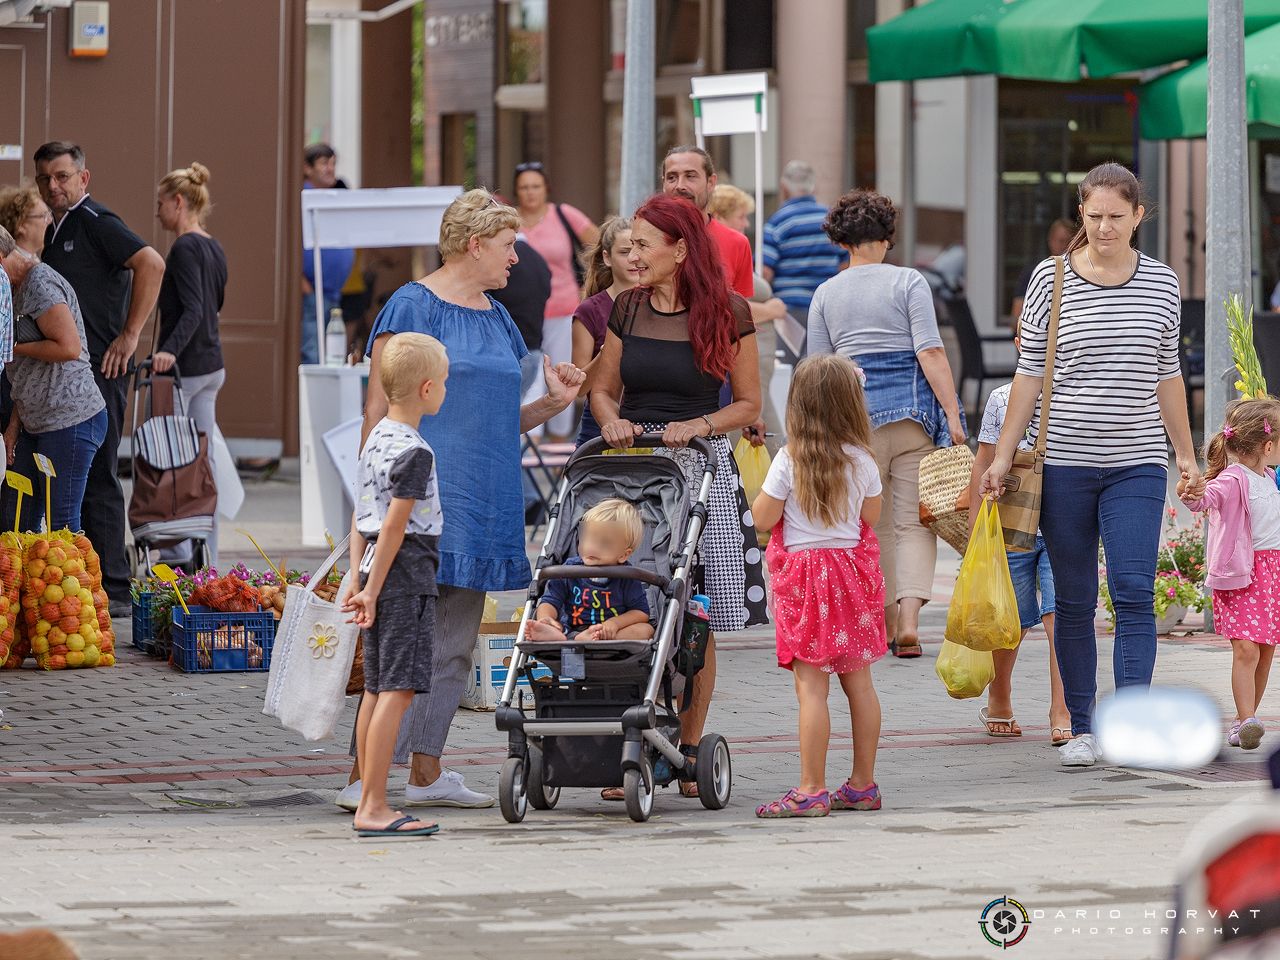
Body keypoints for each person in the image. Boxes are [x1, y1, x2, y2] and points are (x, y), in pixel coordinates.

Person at [336, 189, 584, 814]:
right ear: (475, 245)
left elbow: (498, 419)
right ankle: (365, 777)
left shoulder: (499, 317)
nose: (516, 261)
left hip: (484, 500)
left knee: (452, 643)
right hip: (412, 506)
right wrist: (365, 510)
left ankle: (427, 770)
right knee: (398, 642)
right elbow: (377, 411)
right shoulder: (411, 305)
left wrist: (552, 405)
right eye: (507, 247)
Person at [979, 162, 1199, 768]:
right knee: (1072, 600)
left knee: (1132, 591)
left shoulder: (1162, 284)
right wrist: (1001, 455)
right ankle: (1081, 726)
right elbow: (1028, 377)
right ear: (1082, 214)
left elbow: (1167, 375)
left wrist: (1184, 454)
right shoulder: (1050, 281)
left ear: (1138, 217)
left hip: (1137, 463)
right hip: (1066, 465)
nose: (1103, 228)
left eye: (1116, 217)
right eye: (1093, 216)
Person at [591, 192, 768, 797]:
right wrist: (610, 418)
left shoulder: (729, 312)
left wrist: (700, 425)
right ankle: (634, 740)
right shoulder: (627, 309)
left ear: (680, 249)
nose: (632, 253)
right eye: (630, 243)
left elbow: (749, 405)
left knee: (695, 616)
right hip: (636, 467)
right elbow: (601, 389)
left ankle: (688, 748)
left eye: (643, 243)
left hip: (700, 468)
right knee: (631, 598)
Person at [808, 189, 966, 659]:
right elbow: (931, 352)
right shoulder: (908, 282)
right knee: (913, 524)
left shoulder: (826, 293)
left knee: (871, 525)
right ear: (888, 236)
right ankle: (912, 622)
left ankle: (885, 620)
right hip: (913, 417)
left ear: (842, 240)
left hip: (852, 425)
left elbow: (817, 367)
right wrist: (954, 416)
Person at [751, 354, 886, 817]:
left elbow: (763, 519)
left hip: (806, 581)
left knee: (812, 690)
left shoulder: (789, 460)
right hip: (851, 577)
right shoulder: (864, 460)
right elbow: (871, 518)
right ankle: (863, 784)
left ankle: (811, 789)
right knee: (860, 685)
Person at [34, 140, 165, 616]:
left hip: (102, 370)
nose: (54, 186)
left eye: (63, 176)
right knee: (78, 478)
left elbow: (151, 262)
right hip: (70, 377)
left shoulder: (95, 222)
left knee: (101, 474)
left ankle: (114, 584)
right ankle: (89, 579)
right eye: (45, 178)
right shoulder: (53, 229)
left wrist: (131, 336)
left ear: (83, 178)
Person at [343, 331, 449, 838]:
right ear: (427, 389)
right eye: (445, 382)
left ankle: (368, 795)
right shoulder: (416, 452)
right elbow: (394, 525)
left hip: (378, 575)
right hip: (405, 578)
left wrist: (356, 577)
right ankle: (376, 805)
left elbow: (361, 515)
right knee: (398, 691)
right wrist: (372, 586)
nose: (446, 390)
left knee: (376, 691)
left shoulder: (376, 438)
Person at [969, 343, 1071, 744]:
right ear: (1020, 344)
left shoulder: (1073, 392)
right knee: (1010, 617)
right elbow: (985, 459)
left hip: (1056, 520)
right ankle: (1002, 696)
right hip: (1016, 519)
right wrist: (979, 527)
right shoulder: (1003, 397)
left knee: (1056, 616)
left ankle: (1059, 708)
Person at [1178, 398, 1280, 751]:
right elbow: (1206, 498)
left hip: (1272, 574)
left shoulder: (1270, 477)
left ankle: (1243, 722)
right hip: (1242, 575)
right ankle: (1249, 718)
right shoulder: (1233, 479)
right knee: (1246, 651)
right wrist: (1192, 491)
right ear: (1268, 446)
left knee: (1266, 650)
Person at [0, 227, 107, 532]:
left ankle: (76, 581)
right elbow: (28, 371)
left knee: (61, 524)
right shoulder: (15, 289)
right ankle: (16, 581)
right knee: (16, 523)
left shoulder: (40, 283)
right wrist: (13, 428)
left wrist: (10, 344)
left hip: (70, 419)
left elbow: (69, 347)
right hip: (36, 422)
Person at [153, 162, 229, 563]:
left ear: (178, 202)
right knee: (205, 461)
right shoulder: (213, 245)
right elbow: (215, 304)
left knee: (175, 457)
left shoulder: (183, 247)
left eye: (161, 203)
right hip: (212, 364)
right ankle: (208, 553)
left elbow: (195, 309)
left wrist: (169, 351)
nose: (158, 211)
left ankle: (178, 547)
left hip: (187, 369)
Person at [512, 161, 598, 437]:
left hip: (563, 309)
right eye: (524, 187)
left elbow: (601, 246)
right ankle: (530, 442)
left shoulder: (563, 214)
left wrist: (590, 290)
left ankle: (559, 447)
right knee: (528, 376)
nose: (530, 193)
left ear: (546, 188)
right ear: (516, 191)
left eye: (535, 186)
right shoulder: (509, 220)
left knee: (562, 374)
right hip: (521, 316)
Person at [486, 235, 551, 519]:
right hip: (532, 350)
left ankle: (528, 497)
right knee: (507, 423)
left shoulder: (506, 265)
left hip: (512, 352)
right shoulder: (538, 259)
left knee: (500, 426)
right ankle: (529, 496)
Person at [526, 498, 654, 643]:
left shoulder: (627, 576)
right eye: (588, 538)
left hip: (610, 633)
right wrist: (546, 619)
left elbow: (641, 613)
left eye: (604, 543)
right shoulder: (569, 570)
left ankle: (595, 638)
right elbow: (550, 600)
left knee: (646, 630)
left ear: (623, 555)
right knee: (548, 616)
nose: (592, 547)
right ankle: (553, 632)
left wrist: (614, 624)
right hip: (572, 630)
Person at [572, 216, 639, 446]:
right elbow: (578, 388)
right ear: (607, 257)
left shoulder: (660, 303)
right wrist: (606, 354)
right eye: (624, 252)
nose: (633, 258)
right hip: (600, 428)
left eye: (639, 248)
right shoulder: (590, 310)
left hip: (648, 424)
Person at [661, 146, 754, 300]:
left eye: (690, 176)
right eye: (672, 178)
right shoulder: (645, 239)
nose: (680, 186)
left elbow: (740, 313)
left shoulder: (737, 243)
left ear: (711, 182)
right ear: (664, 183)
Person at [762, 160, 847, 324]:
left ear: (784, 187)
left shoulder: (778, 222)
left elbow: (766, 272)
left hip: (789, 310)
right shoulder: (832, 219)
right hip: (827, 307)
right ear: (814, 187)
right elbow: (845, 265)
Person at [301, 142, 355, 366]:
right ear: (307, 168)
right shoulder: (304, 198)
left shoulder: (334, 198)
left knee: (331, 354)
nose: (330, 168)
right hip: (311, 292)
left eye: (333, 163)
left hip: (332, 292)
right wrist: (302, 283)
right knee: (313, 353)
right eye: (324, 163)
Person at [1010, 218, 1074, 320]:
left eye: (1069, 241)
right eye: (1061, 241)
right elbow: (1016, 318)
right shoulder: (1034, 273)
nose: (1065, 246)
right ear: (1050, 240)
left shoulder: (1079, 273)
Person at [0, 185, 52, 259]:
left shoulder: (36, 260)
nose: (50, 221)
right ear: (21, 224)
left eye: (49, 215)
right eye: (44, 216)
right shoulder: (9, 264)